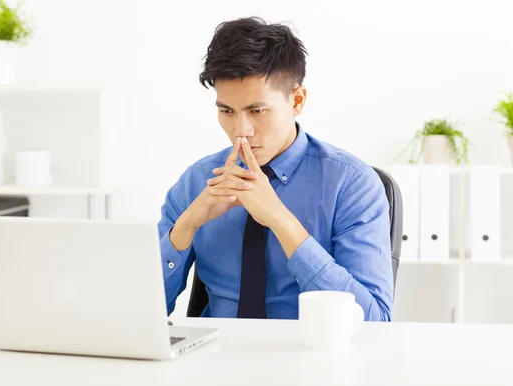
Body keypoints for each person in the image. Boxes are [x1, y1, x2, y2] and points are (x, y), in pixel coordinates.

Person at [157, 17, 393, 321]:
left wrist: (282, 221)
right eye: (227, 111)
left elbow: (375, 322)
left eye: (257, 111)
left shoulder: (351, 184)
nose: (241, 130)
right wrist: (186, 226)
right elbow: (137, 314)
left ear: (297, 100)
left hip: (314, 361)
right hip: (214, 359)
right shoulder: (195, 183)